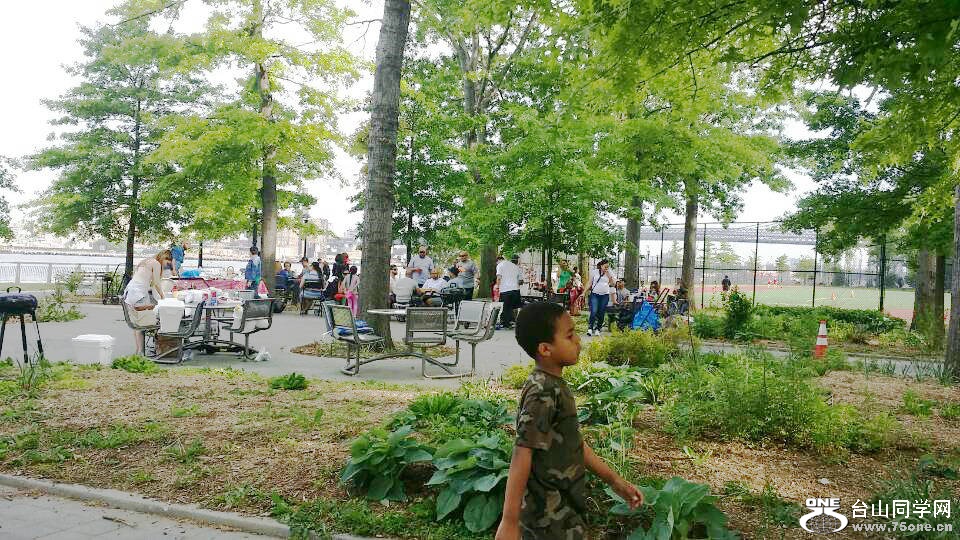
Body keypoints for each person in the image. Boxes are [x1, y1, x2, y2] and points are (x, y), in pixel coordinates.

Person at [496, 302, 642, 540]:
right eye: (570, 335)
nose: (578, 341)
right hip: (548, 519)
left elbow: (574, 443)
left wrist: (615, 481)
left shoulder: (553, 385)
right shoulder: (542, 391)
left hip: (566, 511)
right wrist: (510, 521)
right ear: (545, 349)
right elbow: (522, 452)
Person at [122, 250, 171, 355]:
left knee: (138, 324)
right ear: (164, 258)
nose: (166, 266)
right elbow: (156, 283)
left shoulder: (146, 261)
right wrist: (163, 297)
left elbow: (142, 279)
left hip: (130, 292)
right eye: (167, 263)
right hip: (139, 293)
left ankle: (139, 350)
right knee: (155, 320)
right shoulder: (156, 263)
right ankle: (157, 349)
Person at [585, 259, 614, 336]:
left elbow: (613, 284)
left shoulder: (609, 273)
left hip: (605, 295)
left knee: (601, 312)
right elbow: (589, 283)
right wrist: (584, 292)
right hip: (595, 294)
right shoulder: (594, 272)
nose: (606, 268)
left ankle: (598, 328)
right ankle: (590, 328)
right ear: (601, 266)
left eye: (608, 267)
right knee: (594, 311)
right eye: (605, 267)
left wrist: (609, 276)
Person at [497, 254, 522, 329]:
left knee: (505, 307)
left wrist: (497, 286)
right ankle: (510, 321)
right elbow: (520, 281)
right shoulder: (516, 267)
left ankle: (505, 323)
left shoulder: (500, 265)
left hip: (505, 289)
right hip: (515, 289)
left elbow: (499, 277)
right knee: (511, 306)